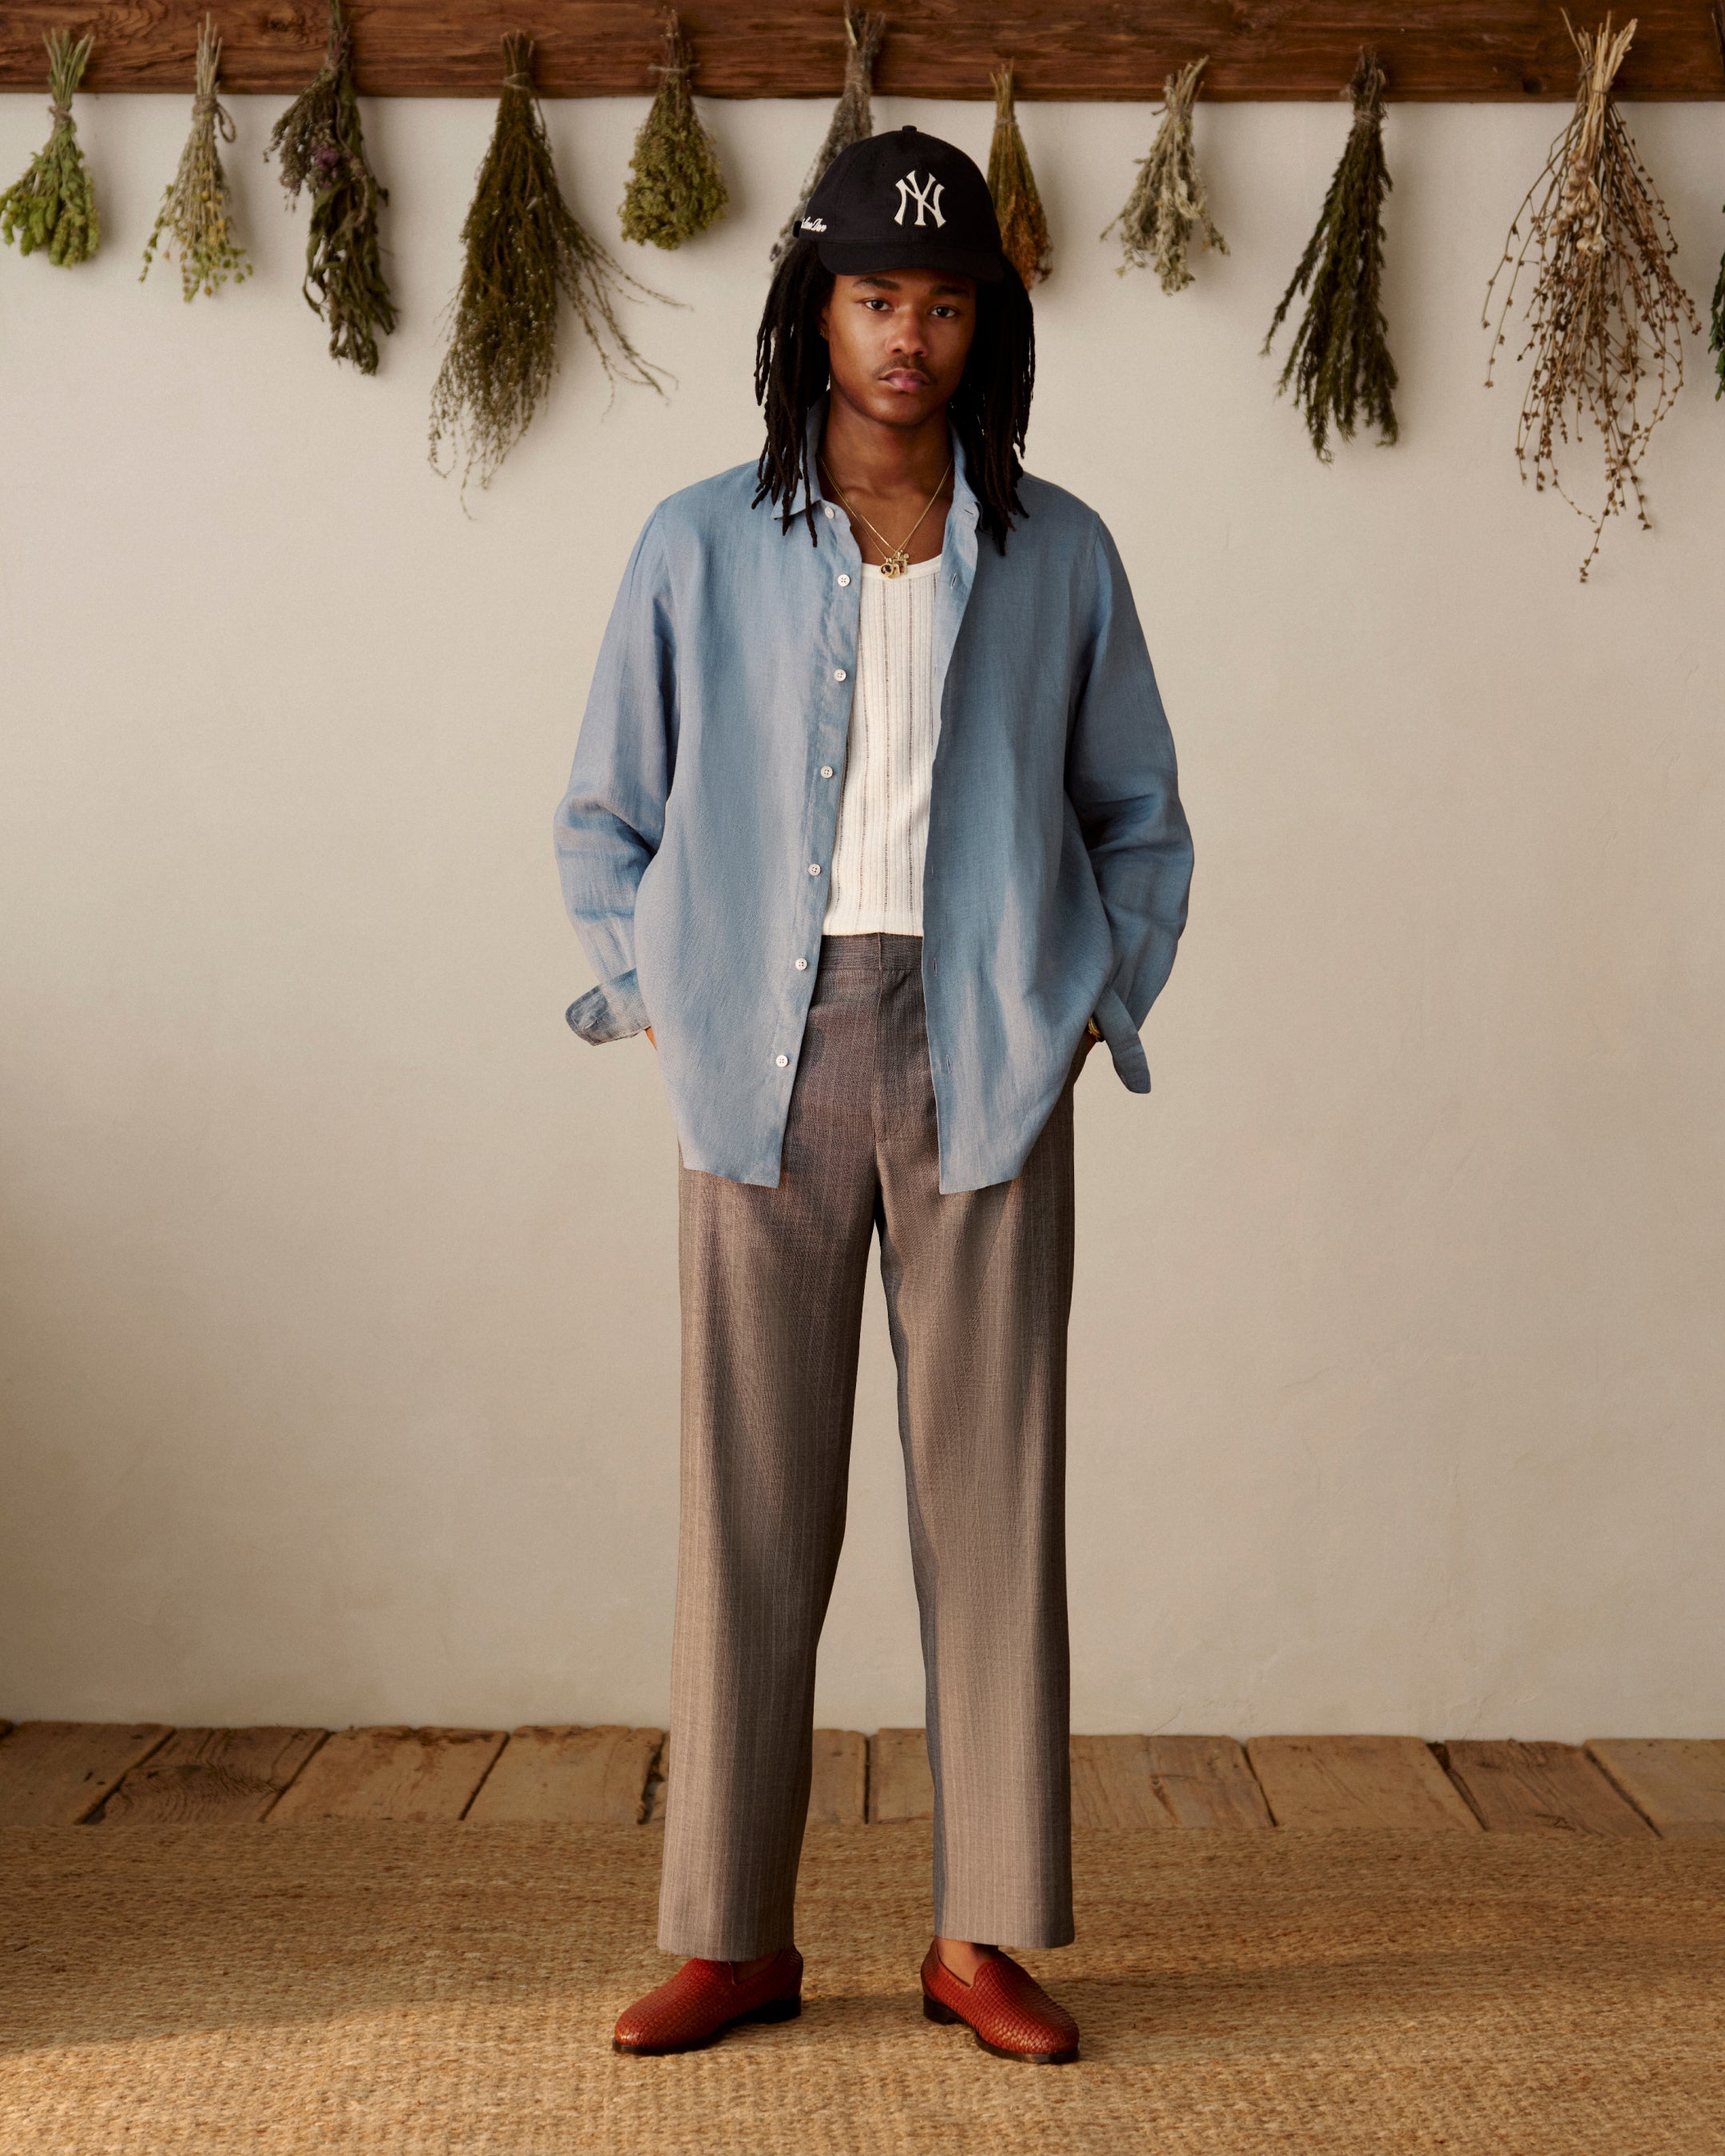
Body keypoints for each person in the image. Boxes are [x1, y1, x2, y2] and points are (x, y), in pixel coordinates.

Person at [553, 123, 1193, 2067]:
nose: (904, 337)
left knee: (993, 1503)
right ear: (811, 309)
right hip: (767, 1045)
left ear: (981, 323)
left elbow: (1141, 820)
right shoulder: (697, 542)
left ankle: (981, 1932)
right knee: (744, 1504)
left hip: (990, 1047)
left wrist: (1091, 999)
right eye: (870, 296)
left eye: (939, 302)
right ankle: (731, 1932)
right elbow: (607, 813)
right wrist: (659, 996)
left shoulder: (1062, 550)